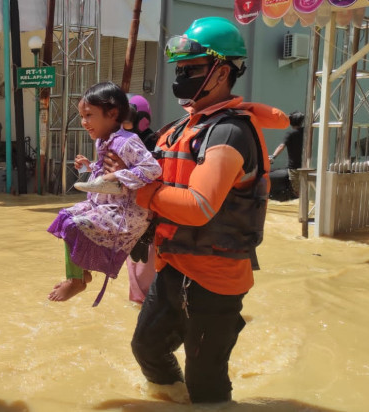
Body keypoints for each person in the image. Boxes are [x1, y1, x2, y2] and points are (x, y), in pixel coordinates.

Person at [113, 17, 289, 403]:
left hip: (215, 280)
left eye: (190, 69)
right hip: (175, 268)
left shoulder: (229, 132)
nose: (181, 77)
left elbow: (198, 207)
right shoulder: (183, 128)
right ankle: (170, 398)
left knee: (207, 384)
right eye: (179, 69)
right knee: (147, 348)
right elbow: (150, 168)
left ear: (222, 71)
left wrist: (144, 192)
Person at [47, 82, 161, 305]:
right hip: (106, 204)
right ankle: (81, 274)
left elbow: (153, 169)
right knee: (65, 217)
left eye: (88, 115)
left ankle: (76, 280)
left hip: (127, 211)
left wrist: (118, 176)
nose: (83, 122)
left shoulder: (128, 141)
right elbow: (104, 170)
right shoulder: (104, 139)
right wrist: (90, 167)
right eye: (81, 116)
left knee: (74, 224)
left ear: (112, 114)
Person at [121, 94, 159, 304]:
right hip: (131, 216)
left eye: (127, 118)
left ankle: (144, 307)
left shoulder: (153, 142)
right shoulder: (122, 142)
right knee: (134, 267)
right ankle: (138, 306)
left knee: (145, 268)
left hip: (150, 216)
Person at [269, 111, 305, 198]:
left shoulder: (290, 134)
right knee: (304, 188)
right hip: (306, 166)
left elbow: (282, 146)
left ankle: (301, 208)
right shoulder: (306, 132)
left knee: (297, 191)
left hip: (294, 168)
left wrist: (273, 156)